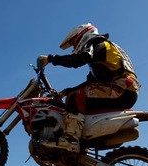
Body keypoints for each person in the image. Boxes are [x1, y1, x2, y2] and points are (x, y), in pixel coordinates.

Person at [36, 23, 140, 153]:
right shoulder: (103, 53)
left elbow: (77, 60)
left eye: (74, 42)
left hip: (120, 88)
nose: (74, 47)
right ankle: (82, 144)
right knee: (76, 97)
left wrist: (51, 59)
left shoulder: (98, 44)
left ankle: (71, 139)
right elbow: (89, 83)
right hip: (125, 89)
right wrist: (67, 91)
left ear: (83, 35)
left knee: (74, 97)